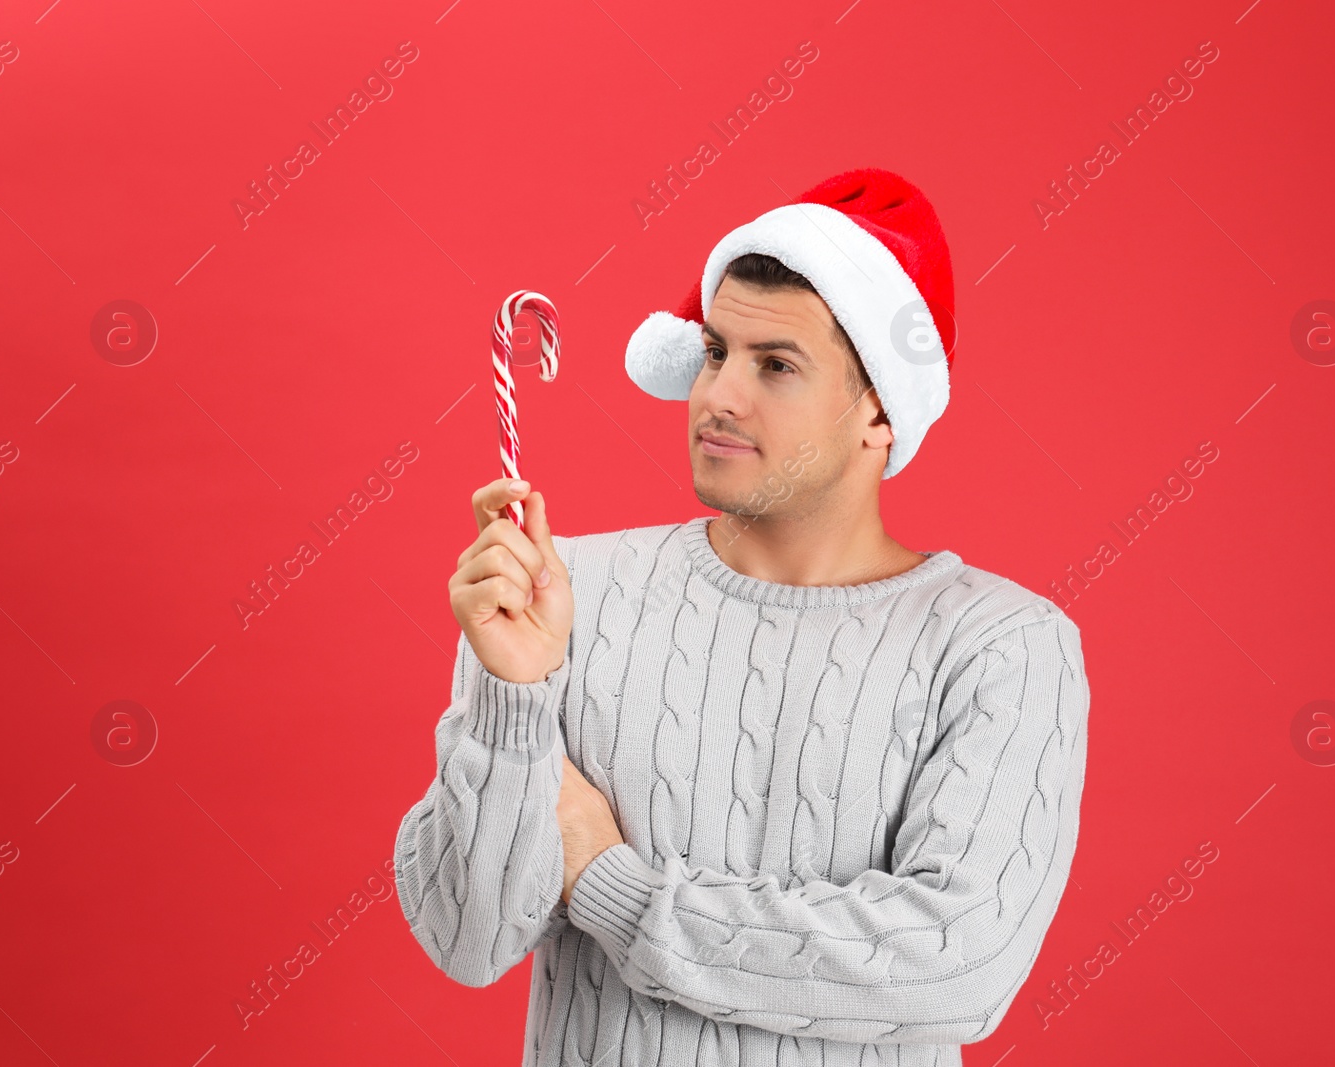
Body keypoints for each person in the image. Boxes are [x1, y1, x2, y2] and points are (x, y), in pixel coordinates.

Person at [393, 168, 1091, 1066]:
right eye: (717, 351)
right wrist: (509, 699)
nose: (718, 395)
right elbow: (466, 939)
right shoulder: (560, 595)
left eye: (777, 365)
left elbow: (953, 966)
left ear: (878, 409)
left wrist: (616, 886)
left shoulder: (1001, 644)